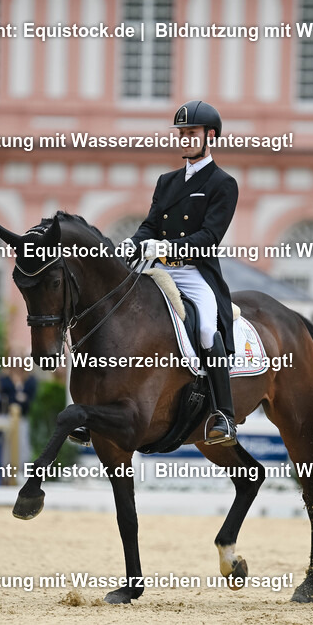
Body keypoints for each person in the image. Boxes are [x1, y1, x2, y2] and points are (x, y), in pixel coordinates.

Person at [121, 100, 239, 445]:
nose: (185, 138)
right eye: (182, 133)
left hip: (194, 271)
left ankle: (224, 414)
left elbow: (209, 237)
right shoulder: (166, 181)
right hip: (157, 270)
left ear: (210, 136)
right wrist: (133, 243)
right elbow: (150, 225)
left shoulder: (222, 183)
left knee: (204, 327)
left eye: (192, 133)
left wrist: (168, 247)